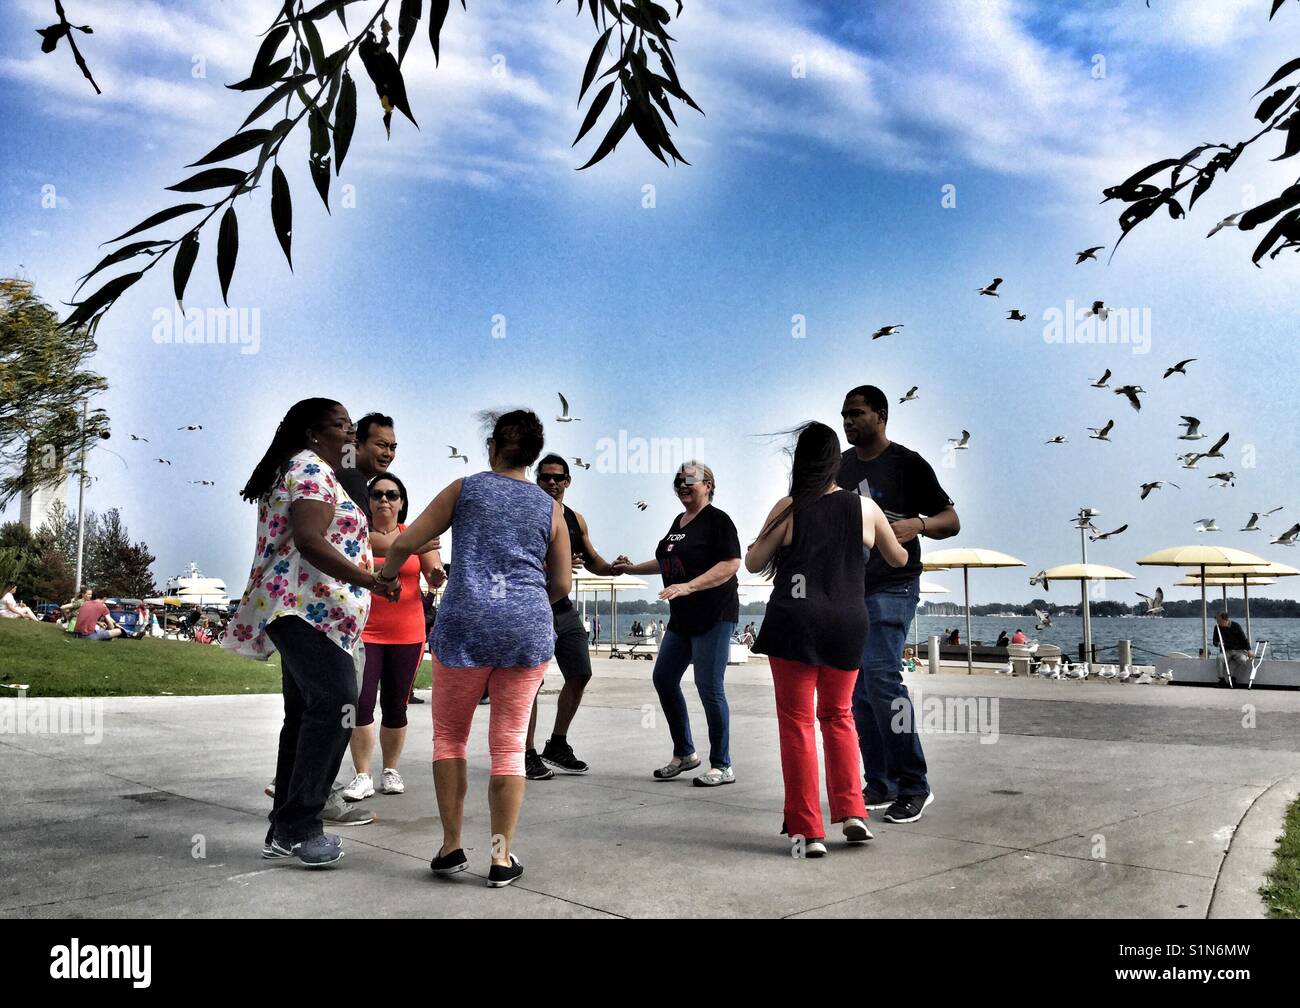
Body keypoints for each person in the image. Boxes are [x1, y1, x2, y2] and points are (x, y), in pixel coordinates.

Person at [379, 409, 571, 888]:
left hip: (464, 624)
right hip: (525, 630)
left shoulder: (465, 489)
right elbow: (562, 581)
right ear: (531, 454)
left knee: (450, 737)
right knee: (507, 744)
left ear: (492, 446)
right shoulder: (551, 508)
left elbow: (406, 543)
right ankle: (501, 859)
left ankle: (450, 847)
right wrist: (522, 606)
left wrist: (384, 578)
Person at [224, 398, 397, 869]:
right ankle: (302, 825)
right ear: (314, 433)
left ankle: (284, 829)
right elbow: (310, 539)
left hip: (308, 611)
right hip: (304, 610)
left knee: (302, 716)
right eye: (342, 426)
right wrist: (369, 580)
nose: (351, 434)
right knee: (340, 702)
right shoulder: (311, 469)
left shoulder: (306, 468)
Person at [748, 422, 908, 856]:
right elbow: (899, 557)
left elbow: (752, 562)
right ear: (838, 462)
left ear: (800, 462)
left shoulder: (791, 506)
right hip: (847, 621)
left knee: (797, 722)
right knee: (839, 716)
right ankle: (853, 812)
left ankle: (808, 831)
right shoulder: (865, 508)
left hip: (793, 622)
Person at [839, 384, 959, 824]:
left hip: (895, 585)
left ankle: (914, 785)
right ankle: (882, 782)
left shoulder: (908, 464)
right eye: (844, 415)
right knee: (857, 691)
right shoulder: (841, 467)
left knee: (883, 679)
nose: (848, 422)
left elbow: (952, 521)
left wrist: (919, 524)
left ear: (881, 415)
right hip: (851, 588)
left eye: (856, 414)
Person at [613, 461, 742, 787]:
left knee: (709, 688)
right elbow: (667, 562)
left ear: (708, 485)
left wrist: (688, 586)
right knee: (664, 678)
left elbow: (731, 564)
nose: (683, 485)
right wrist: (631, 570)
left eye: (690, 480)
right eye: (678, 481)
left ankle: (722, 764)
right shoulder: (679, 522)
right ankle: (685, 752)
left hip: (714, 614)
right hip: (682, 618)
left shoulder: (718, 521)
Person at [341, 472, 446, 801]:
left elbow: (433, 573)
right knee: (361, 703)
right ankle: (362, 775)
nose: (384, 500)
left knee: (396, 706)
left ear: (402, 503)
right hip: (365, 632)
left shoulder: (414, 537)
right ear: (368, 503)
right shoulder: (358, 536)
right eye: (377, 495)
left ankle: (390, 770)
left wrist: (437, 575)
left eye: (392, 495)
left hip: (407, 634)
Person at [526, 454, 617, 780]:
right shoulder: (527, 513)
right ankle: (526, 752)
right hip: (533, 606)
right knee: (530, 684)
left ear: (567, 481)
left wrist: (612, 569)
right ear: (537, 479)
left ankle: (557, 744)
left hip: (563, 609)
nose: (552, 482)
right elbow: (519, 560)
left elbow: (591, 559)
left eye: (558, 477)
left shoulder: (575, 519)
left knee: (580, 673)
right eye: (546, 476)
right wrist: (556, 567)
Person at [1214, 611, 1252, 685]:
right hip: (1226, 651)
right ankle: (1221, 679)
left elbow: (1244, 639)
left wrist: (1249, 650)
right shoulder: (1217, 627)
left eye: (1219, 620)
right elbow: (1214, 641)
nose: (1217, 622)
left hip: (1239, 650)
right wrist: (1218, 643)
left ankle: (1233, 678)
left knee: (1242, 660)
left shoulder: (1236, 626)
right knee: (1219, 658)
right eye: (1217, 620)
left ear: (1225, 619)